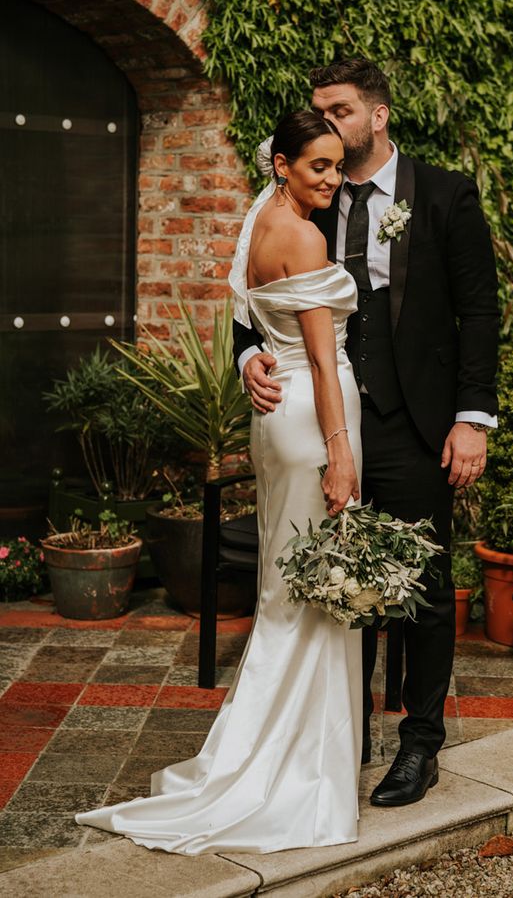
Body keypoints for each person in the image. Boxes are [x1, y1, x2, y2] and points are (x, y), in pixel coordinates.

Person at [76, 111, 365, 854]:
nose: (331, 179)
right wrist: (341, 452)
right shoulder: (304, 235)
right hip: (311, 421)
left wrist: (250, 361)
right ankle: (295, 769)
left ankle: (271, 750)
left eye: (337, 166)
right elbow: (326, 363)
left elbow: (247, 314)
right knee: (312, 589)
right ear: (283, 167)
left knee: (286, 585)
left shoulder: (259, 219)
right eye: (318, 168)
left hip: (279, 422)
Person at [236, 58, 499, 809]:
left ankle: (419, 744)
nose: (328, 125)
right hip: (328, 422)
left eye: (340, 110)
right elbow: (252, 297)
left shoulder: (444, 193)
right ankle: (340, 737)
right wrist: (250, 355)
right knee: (333, 580)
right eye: (317, 111)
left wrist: (471, 418)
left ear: (378, 116)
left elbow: (478, 311)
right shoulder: (304, 194)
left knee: (421, 585)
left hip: (414, 421)